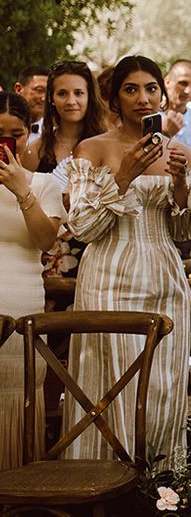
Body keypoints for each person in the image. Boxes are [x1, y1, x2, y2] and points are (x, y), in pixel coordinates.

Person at [62, 55, 191, 465]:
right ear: (113, 100)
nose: (143, 98)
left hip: (164, 278)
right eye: (131, 89)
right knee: (112, 387)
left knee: (163, 385)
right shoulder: (91, 149)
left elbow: (190, 231)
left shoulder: (178, 152)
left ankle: (162, 491)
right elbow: (83, 229)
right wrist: (123, 176)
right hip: (108, 279)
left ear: (162, 95)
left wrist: (182, 184)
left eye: (151, 89)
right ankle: (105, 485)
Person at [0, 92, 63, 469]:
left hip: (22, 302)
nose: (7, 141)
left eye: (16, 133)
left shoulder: (44, 185)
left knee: (18, 395)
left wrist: (21, 191)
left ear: (28, 134)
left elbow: (45, 240)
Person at [21, 61, 106, 278]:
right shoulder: (35, 151)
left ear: (90, 97)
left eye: (79, 93)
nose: (71, 101)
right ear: (51, 98)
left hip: (96, 255)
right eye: (62, 93)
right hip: (46, 259)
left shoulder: (106, 147)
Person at [14, 65, 49, 142]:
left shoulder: (54, 135)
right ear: (19, 89)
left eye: (49, 92)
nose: (44, 98)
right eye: (39, 90)